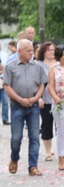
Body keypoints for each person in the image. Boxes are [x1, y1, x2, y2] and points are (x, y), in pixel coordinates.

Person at [5, 39, 47, 176]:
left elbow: (42, 85)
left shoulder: (38, 67)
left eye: (31, 50)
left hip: (33, 106)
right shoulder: (10, 66)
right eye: (28, 50)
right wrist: (20, 99)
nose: (31, 53)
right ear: (19, 51)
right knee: (16, 138)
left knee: (34, 136)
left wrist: (35, 98)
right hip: (17, 105)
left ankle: (33, 166)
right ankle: (14, 158)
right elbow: (7, 86)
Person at [36, 42, 58, 161]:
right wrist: (38, 97)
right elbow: (35, 83)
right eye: (48, 49)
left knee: (60, 125)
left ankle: (62, 149)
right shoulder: (38, 65)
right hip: (45, 99)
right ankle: (48, 151)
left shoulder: (59, 64)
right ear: (43, 51)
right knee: (46, 124)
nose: (51, 51)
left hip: (58, 99)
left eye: (53, 49)